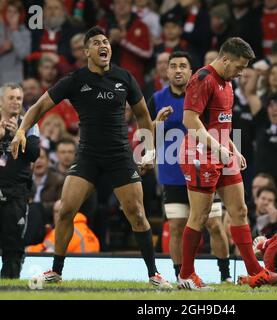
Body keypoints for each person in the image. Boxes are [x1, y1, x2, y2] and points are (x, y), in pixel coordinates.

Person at [11, 26, 171, 288]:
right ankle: (56, 271)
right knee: (65, 211)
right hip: (88, 155)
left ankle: (154, 273)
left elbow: (143, 116)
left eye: (106, 41)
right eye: (96, 42)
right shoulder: (75, 80)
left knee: (138, 215)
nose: (103, 45)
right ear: (87, 51)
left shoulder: (125, 78)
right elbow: (39, 106)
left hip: (119, 155)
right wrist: (20, 130)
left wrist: (148, 151)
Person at [178, 37, 277, 290]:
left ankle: (255, 273)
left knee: (240, 211)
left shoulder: (227, 84)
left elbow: (221, 124)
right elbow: (190, 121)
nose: (241, 72)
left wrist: (232, 149)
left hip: (222, 153)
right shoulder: (202, 79)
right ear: (225, 59)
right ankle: (186, 274)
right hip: (200, 154)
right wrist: (218, 148)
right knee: (200, 215)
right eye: (239, 66)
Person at [148, 51, 232, 283]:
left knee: (214, 224)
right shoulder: (156, 99)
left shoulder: (204, 92)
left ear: (191, 71)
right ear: (166, 71)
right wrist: (157, 123)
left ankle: (225, 276)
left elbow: (217, 127)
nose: (177, 70)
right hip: (172, 174)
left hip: (204, 169)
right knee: (176, 226)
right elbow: (146, 133)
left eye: (183, 66)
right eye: (173, 66)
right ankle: (180, 276)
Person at [0, 83, 40, 278]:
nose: (16, 102)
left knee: (14, 245)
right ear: (1, 101)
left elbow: (35, 154)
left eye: (18, 98)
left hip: (16, 193)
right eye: (11, 98)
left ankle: (8, 287)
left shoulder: (29, 124)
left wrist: (18, 134)